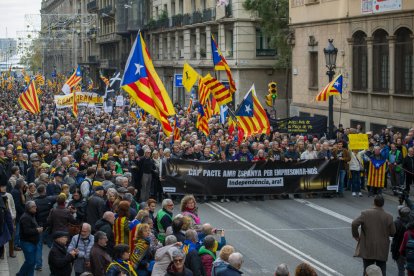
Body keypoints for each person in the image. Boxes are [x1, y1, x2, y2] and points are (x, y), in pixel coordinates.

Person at [352, 195, 396, 276]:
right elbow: (393, 233)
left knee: (367, 270)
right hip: (382, 248)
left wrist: (356, 235)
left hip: (368, 247)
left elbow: (354, 223)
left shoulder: (366, 213)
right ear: (383, 204)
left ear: (374, 202)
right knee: (382, 271)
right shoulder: (389, 217)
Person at [16, 201, 42, 276]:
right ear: (29, 208)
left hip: (32, 242)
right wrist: (37, 230)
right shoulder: (25, 217)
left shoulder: (31, 215)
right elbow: (27, 231)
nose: (36, 207)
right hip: (27, 243)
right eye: (34, 206)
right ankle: (20, 274)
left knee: (32, 262)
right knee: (30, 262)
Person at [391, 206, 412, 276]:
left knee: (401, 269)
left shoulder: (397, 223)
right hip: (410, 249)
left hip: (399, 250)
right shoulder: (411, 224)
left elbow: (392, 234)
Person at [0, 181, 13, 259]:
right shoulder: (3, 199)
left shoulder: (6, 197)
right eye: (2, 186)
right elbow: (7, 217)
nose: (4, 187)